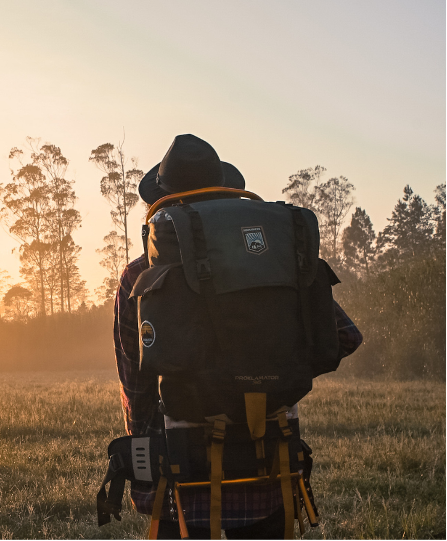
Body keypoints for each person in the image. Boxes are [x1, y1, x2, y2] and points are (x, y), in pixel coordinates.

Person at [113, 134, 363, 539]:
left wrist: (144, 455)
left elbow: (136, 381)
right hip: (271, 466)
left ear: (163, 201)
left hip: (185, 476)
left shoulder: (140, 276)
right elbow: (345, 338)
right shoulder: (277, 261)